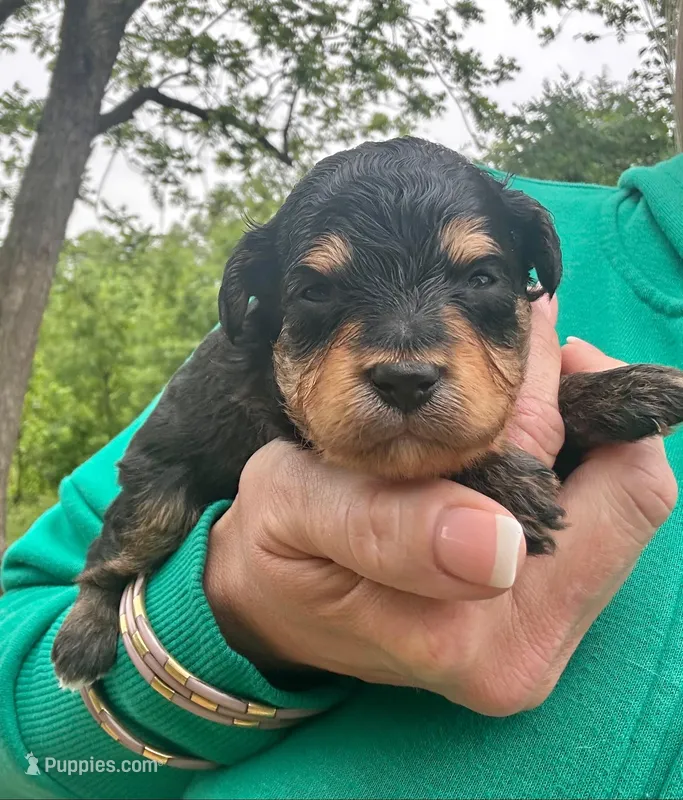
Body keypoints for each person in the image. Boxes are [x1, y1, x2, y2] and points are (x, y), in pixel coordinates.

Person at [0, 152, 682, 800]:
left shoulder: (528, 237)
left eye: (477, 279)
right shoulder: (241, 368)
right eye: (318, 290)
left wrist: (571, 410)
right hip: (186, 474)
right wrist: (211, 626)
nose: (406, 356)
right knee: (149, 523)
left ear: (528, 283)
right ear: (255, 311)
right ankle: (101, 587)